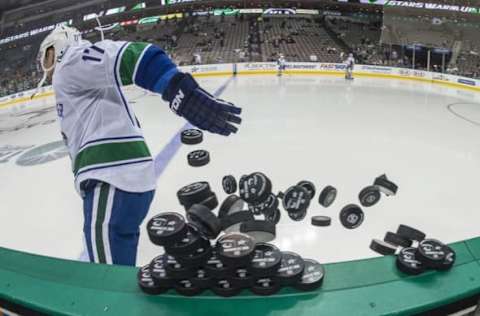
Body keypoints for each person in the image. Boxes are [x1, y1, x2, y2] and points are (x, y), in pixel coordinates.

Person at [35, 25, 242, 266]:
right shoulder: (73, 77)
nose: (44, 64)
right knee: (119, 267)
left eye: (45, 55)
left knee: (106, 276)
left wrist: (176, 88)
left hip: (109, 176)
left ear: (57, 46)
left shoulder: (69, 63)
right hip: (126, 177)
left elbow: (131, 56)